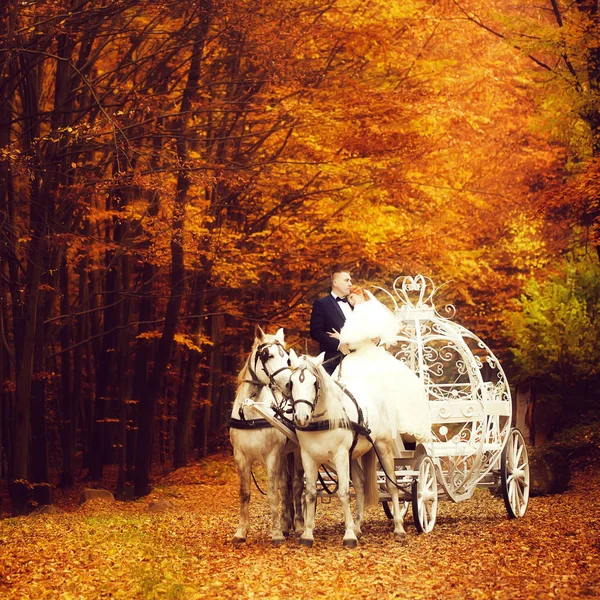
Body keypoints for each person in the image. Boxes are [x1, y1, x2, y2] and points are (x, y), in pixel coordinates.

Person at [330, 285, 431, 443]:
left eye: (353, 297)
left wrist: (344, 341)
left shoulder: (364, 310)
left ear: (362, 294)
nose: (351, 301)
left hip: (366, 354)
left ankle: (379, 427)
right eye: (349, 299)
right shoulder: (364, 311)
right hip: (361, 354)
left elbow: (361, 338)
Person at [309, 271, 353, 375]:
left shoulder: (353, 302)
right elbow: (315, 332)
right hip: (334, 361)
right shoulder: (321, 304)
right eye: (346, 280)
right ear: (335, 283)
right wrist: (338, 345)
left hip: (358, 359)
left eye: (350, 280)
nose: (350, 283)